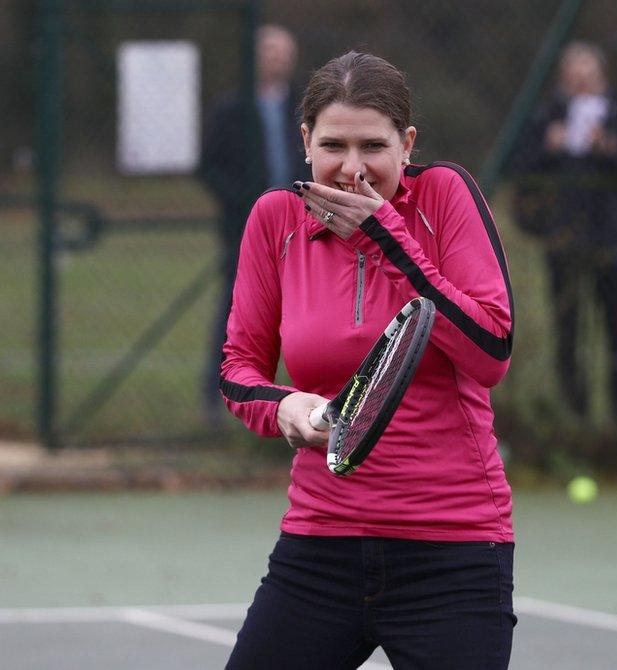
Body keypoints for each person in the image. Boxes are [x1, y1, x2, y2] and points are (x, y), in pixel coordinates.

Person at [219, 51, 516, 669]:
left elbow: (490, 351)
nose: (352, 169)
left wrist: (386, 239)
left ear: (406, 145)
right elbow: (237, 370)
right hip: (319, 546)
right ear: (304, 141)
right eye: (333, 144)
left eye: (373, 146)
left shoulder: (444, 197)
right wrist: (285, 408)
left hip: (452, 551)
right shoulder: (275, 219)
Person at [511, 41, 617, 437]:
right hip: (562, 237)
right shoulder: (547, 116)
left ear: (601, 73)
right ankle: (574, 414)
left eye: (588, 69)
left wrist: (609, 150)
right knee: (568, 327)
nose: (580, 78)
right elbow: (523, 167)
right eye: (573, 70)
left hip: (609, 235)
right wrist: (550, 147)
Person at [197, 24, 309, 425]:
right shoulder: (231, 108)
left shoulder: (304, 109)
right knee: (236, 308)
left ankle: (305, 398)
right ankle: (220, 393)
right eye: (270, 50)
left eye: (284, 50)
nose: (278, 58)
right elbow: (208, 166)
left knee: (306, 307)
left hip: (301, 225)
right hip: (245, 228)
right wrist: (241, 203)